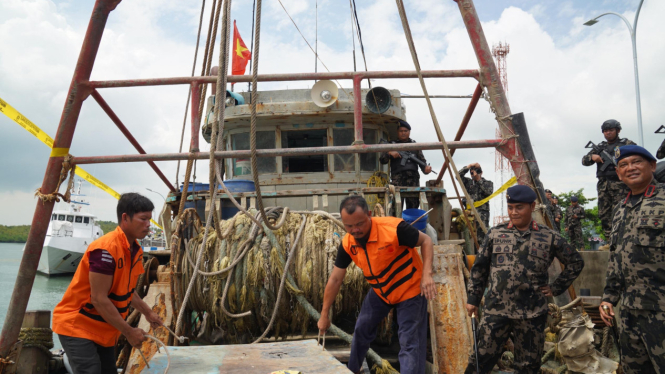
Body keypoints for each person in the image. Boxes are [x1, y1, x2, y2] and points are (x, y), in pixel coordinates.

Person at [465, 185, 584, 374]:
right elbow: (480, 268)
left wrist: (555, 287)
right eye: (510, 207)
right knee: (480, 361)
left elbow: (576, 262)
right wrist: (473, 299)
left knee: (528, 367)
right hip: (496, 311)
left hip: (532, 314)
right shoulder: (495, 234)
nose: (513, 212)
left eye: (519, 207)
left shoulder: (549, 237)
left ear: (532, 206)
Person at [317, 196, 436, 374]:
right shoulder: (348, 244)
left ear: (369, 215)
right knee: (362, 328)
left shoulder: (394, 229)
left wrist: (427, 275)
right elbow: (335, 279)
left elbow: (426, 240)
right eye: (349, 226)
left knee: (409, 343)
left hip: (410, 289)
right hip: (382, 291)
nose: (355, 230)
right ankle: (354, 369)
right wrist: (324, 315)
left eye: (359, 224)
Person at [53, 193, 163, 374]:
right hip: (78, 325)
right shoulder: (105, 249)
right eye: (143, 219)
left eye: (149, 219)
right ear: (125, 218)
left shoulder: (135, 250)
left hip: (104, 328)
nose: (148, 225)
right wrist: (128, 331)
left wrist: (148, 313)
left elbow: (127, 291)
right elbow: (98, 299)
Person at [599, 145, 665, 373]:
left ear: (652, 166)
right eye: (623, 165)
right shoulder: (620, 208)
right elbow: (617, 259)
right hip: (628, 312)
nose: (630, 168)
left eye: (636, 162)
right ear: (618, 174)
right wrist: (608, 298)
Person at [582, 119, 635, 241]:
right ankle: (609, 240)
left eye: (611, 130)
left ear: (618, 130)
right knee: (604, 213)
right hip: (604, 185)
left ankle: (624, 239)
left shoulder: (626, 143)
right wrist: (592, 157)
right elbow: (584, 161)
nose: (608, 133)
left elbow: (638, 155)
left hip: (621, 184)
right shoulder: (600, 147)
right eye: (605, 131)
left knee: (623, 211)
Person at [379, 120, 432, 210]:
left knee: (413, 208)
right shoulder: (392, 145)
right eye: (401, 131)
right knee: (395, 207)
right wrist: (389, 153)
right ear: (397, 132)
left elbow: (423, 164)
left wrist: (426, 169)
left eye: (405, 131)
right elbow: (382, 160)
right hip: (397, 179)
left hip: (413, 180)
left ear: (409, 132)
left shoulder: (415, 146)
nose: (403, 133)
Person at [459, 163, 493, 245]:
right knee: (469, 237)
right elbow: (458, 175)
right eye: (472, 172)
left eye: (475, 172)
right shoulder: (468, 183)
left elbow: (488, 192)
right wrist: (468, 166)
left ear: (481, 172)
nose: (473, 174)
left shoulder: (488, 183)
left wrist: (478, 179)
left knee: (482, 238)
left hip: (482, 214)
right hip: (470, 214)